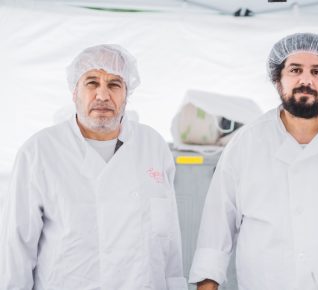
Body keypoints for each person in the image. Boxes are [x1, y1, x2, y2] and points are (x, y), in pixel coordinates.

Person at [189, 33, 318, 290]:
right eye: (295, 70)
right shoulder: (246, 143)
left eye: (317, 71)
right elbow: (216, 228)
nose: (306, 80)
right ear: (278, 79)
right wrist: (207, 284)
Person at [0, 44, 187, 290]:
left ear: (126, 94)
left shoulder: (153, 145)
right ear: (74, 92)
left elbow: (169, 237)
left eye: (114, 84)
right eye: (91, 83)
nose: (102, 95)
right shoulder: (39, 151)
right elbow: (17, 246)